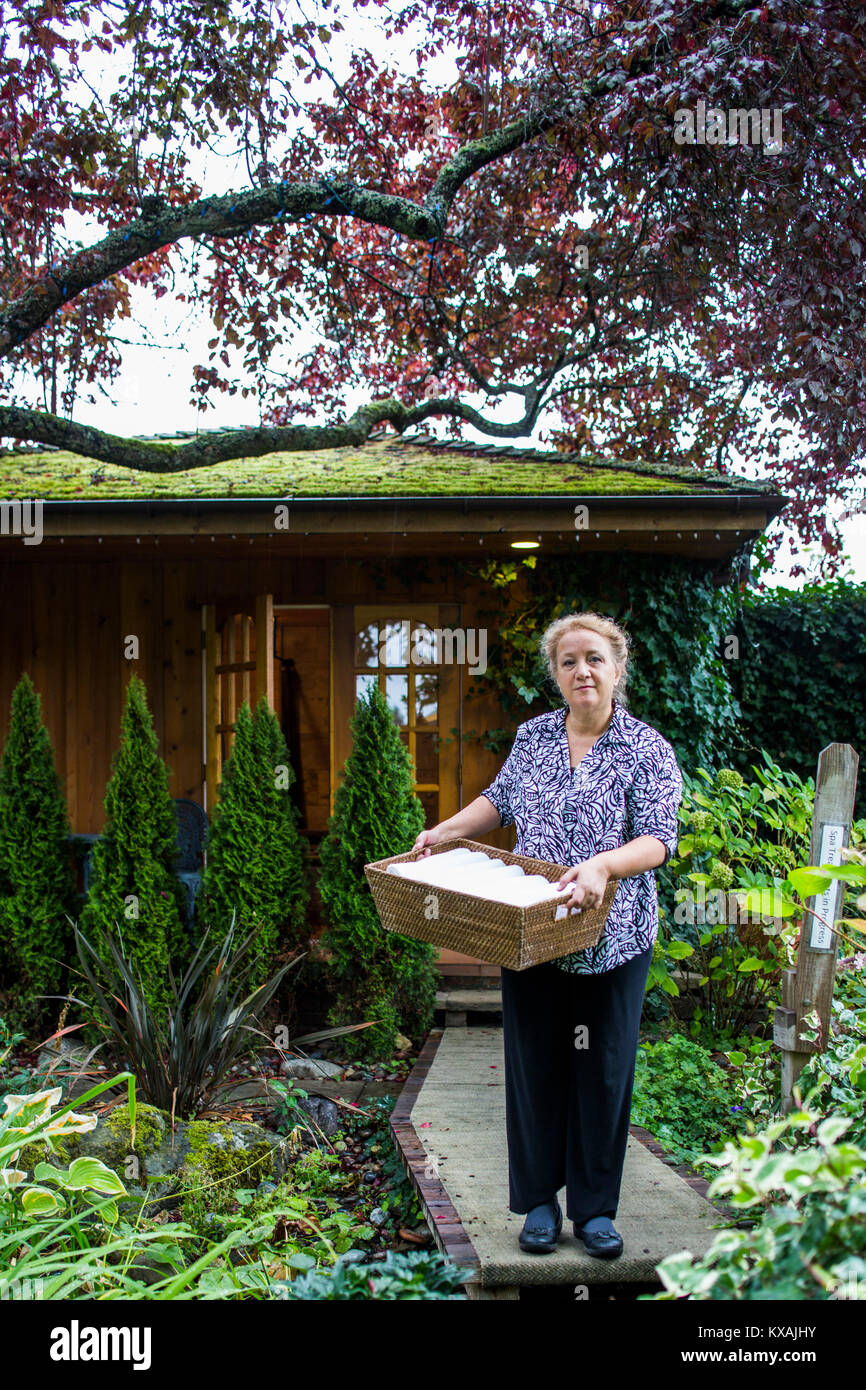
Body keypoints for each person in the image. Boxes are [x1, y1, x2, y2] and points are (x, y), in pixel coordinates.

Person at [411, 611, 683, 1258]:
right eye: (568, 661)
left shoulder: (647, 748)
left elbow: (658, 839)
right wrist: (445, 831)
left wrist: (603, 866)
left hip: (614, 937)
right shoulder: (534, 736)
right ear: (556, 674)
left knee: (603, 1071)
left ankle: (594, 1212)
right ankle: (538, 1202)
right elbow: (500, 799)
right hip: (530, 930)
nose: (581, 670)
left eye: (594, 658)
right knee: (535, 1066)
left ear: (618, 668)